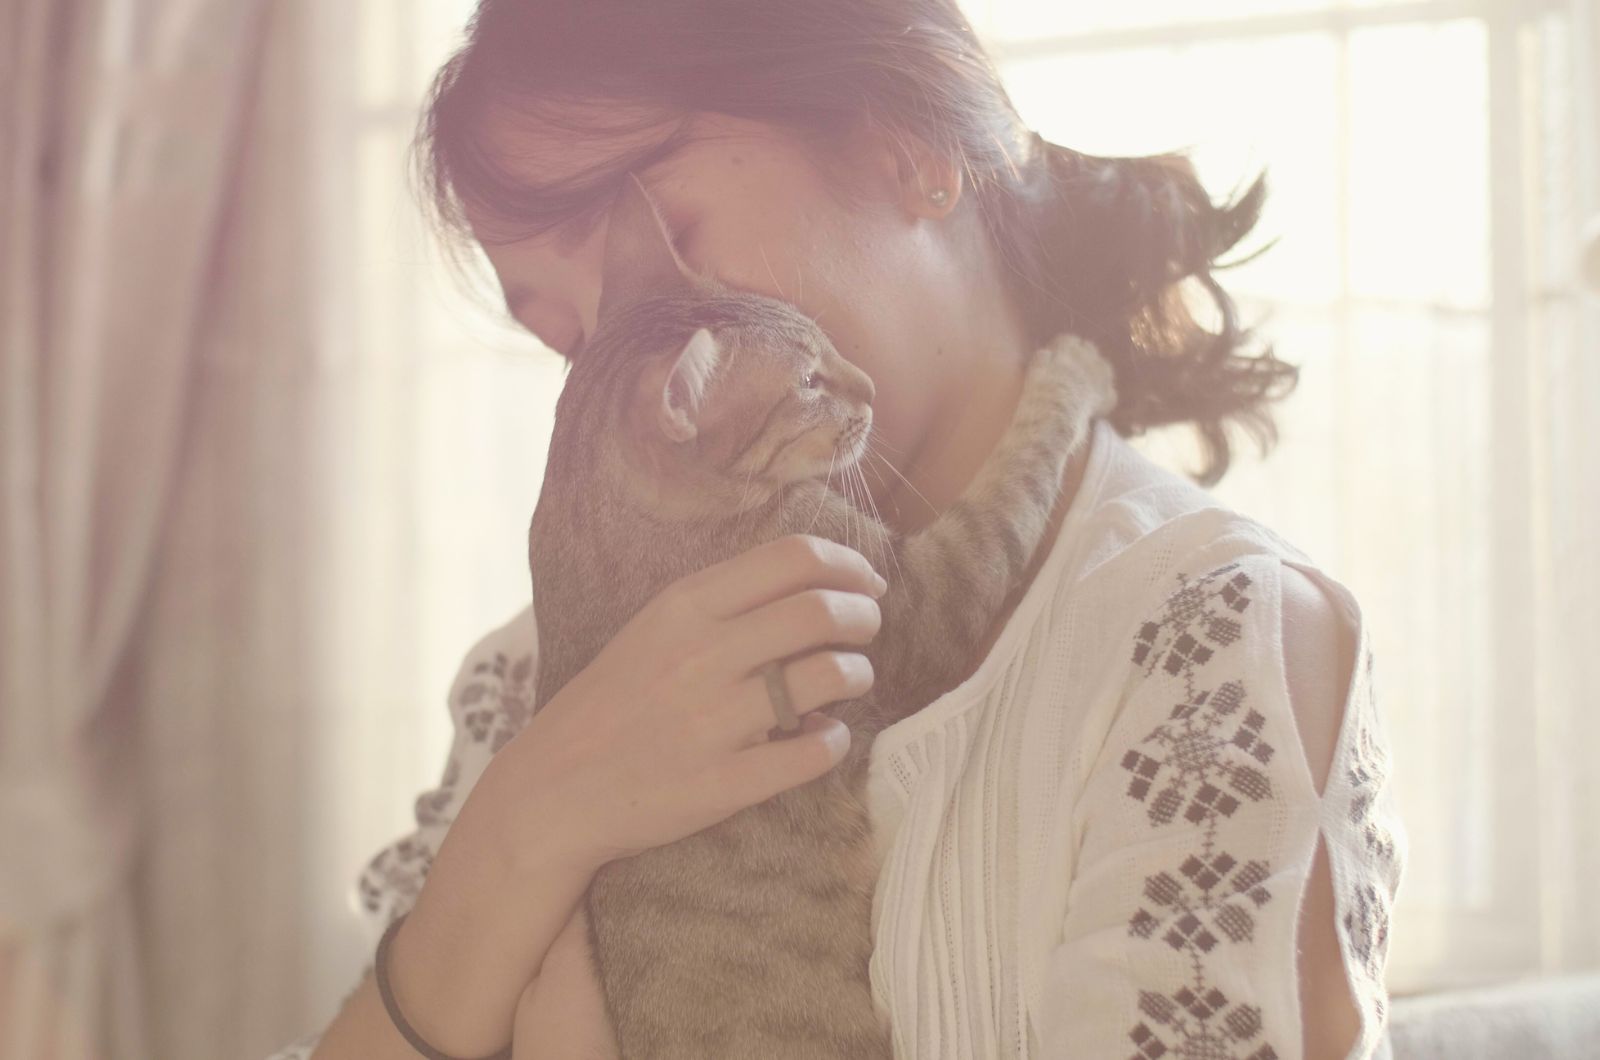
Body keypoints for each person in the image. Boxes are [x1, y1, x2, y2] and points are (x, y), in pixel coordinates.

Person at [269, 1, 1407, 1058]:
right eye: (575, 342)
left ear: (907, 148)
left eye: (671, 247)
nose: (642, 354)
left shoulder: (1205, 641)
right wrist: (526, 819)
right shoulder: (536, 677)